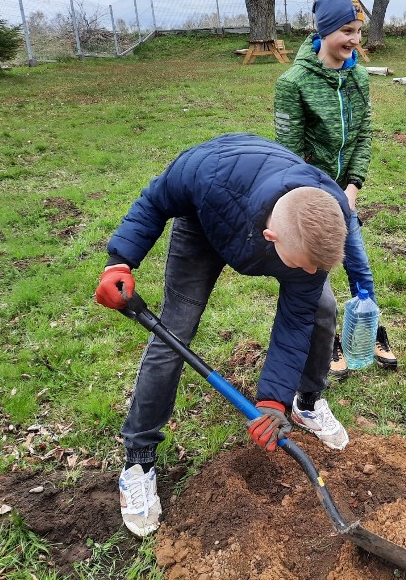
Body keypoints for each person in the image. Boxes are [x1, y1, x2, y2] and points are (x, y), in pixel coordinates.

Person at [94, 133, 353, 537]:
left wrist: (272, 401)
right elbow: (154, 202)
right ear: (272, 241)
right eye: (302, 266)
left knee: (320, 307)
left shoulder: (325, 211)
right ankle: (138, 460)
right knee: (173, 335)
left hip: (264, 214)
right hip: (206, 221)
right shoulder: (205, 172)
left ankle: (307, 401)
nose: (309, 275)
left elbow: (294, 320)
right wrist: (119, 262)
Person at [274, 0, 398, 380]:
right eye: (347, 31)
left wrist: (353, 187)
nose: (355, 40)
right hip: (312, 197)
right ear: (325, 30)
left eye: (359, 31)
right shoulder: (293, 83)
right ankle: (328, 342)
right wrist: (329, 198)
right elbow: (289, 158)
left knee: (360, 267)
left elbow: (363, 135)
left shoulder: (359, 78)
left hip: (347, 195)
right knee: (320, 271)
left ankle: (373, 331)